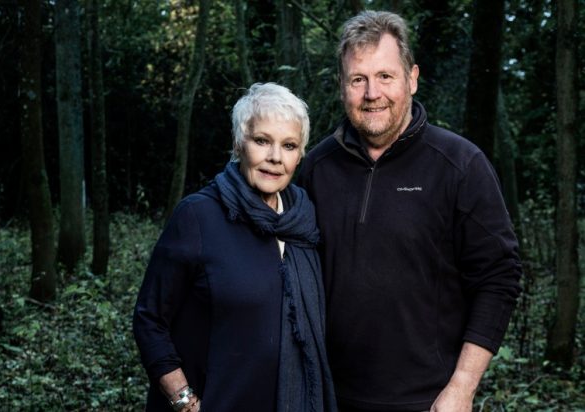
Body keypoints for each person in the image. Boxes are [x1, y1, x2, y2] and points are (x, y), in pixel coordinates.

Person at [297, 10, 523, 412]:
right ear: (342, 86)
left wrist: (462, 387)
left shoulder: (460, 164)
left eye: (385, 76)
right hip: (327, 397)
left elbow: (499, 278)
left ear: (412, 78)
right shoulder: (314, 168)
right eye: (358, 79)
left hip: (429, 401)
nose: (372, 93)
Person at [133, 82, 337, 412]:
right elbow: (149, 320)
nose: (274, 157)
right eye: (262, 141)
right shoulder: (198, 216)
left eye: (288, 145)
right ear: (238, 143)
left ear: (300, 156)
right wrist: (184, 400)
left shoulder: (305, 223)